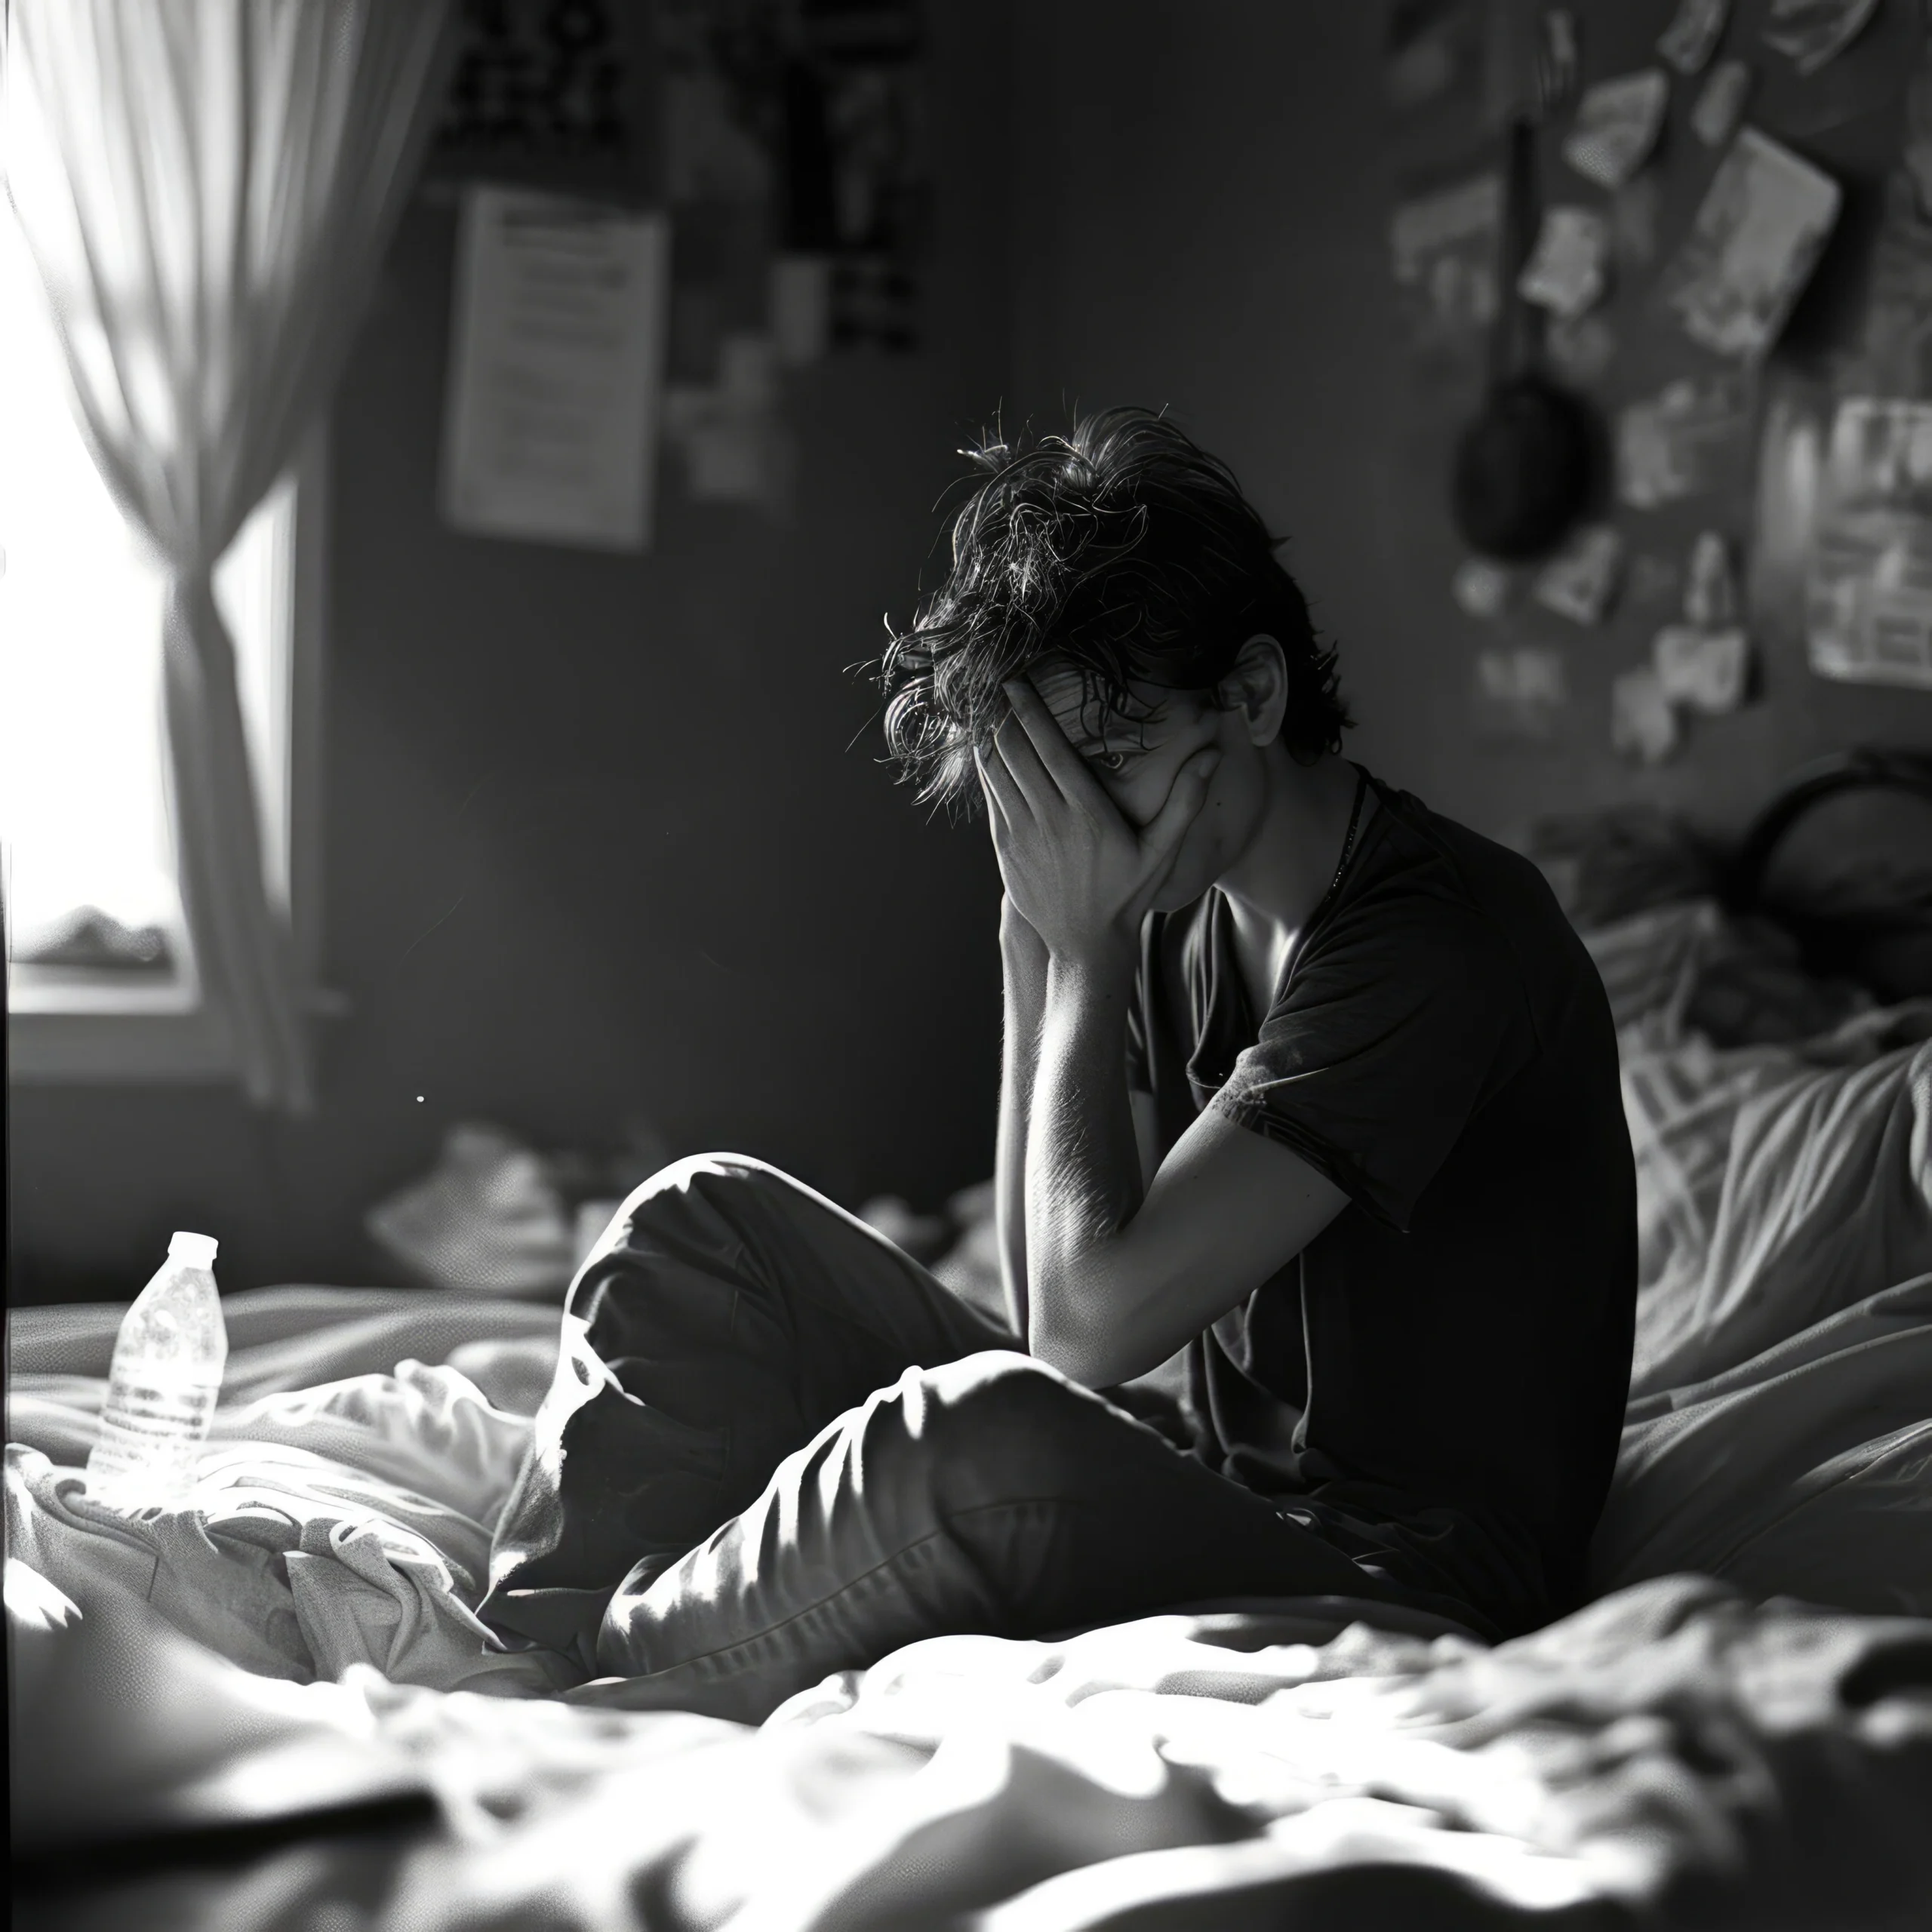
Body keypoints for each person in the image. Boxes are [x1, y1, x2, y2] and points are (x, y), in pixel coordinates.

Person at [478, 408, 1637, 1721]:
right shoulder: (1173, 900)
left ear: (1253, 696)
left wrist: (1083, 952)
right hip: (1220, 1490)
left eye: (1106, 769)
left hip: (1401, 1578)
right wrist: (1033, 940)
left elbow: (1086, 1338)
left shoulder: (1438, 942)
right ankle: (534, 1646)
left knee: (978, 1438)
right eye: (1039, 791)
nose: (1075, 827)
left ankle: (603, 1683)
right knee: (694, 1223)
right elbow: (1048, 1307)